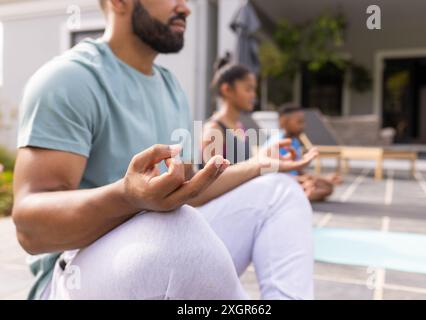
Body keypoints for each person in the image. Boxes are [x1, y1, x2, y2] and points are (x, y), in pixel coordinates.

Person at [13, 0, 315, 300]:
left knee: (280, 191)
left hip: (156, 256)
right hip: (71, 278)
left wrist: (260, 164)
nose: (186, 8)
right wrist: (128, 197)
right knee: (177, 229)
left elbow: (190, 190)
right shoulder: (69, 79)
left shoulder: (172, 88)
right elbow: (31, 230)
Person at [271, 103, 342, 202]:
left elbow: (299, 169)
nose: (302, 126)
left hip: (295, 181)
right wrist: (301, 180)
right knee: (319, 189)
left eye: (303, 122)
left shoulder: (294, 142)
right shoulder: (276, 143)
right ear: (284, 122)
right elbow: (272, 175)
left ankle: (298, 196)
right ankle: (295, 197)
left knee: (327, 187)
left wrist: (323, 179)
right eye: (299, 122)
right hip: (281, 183)